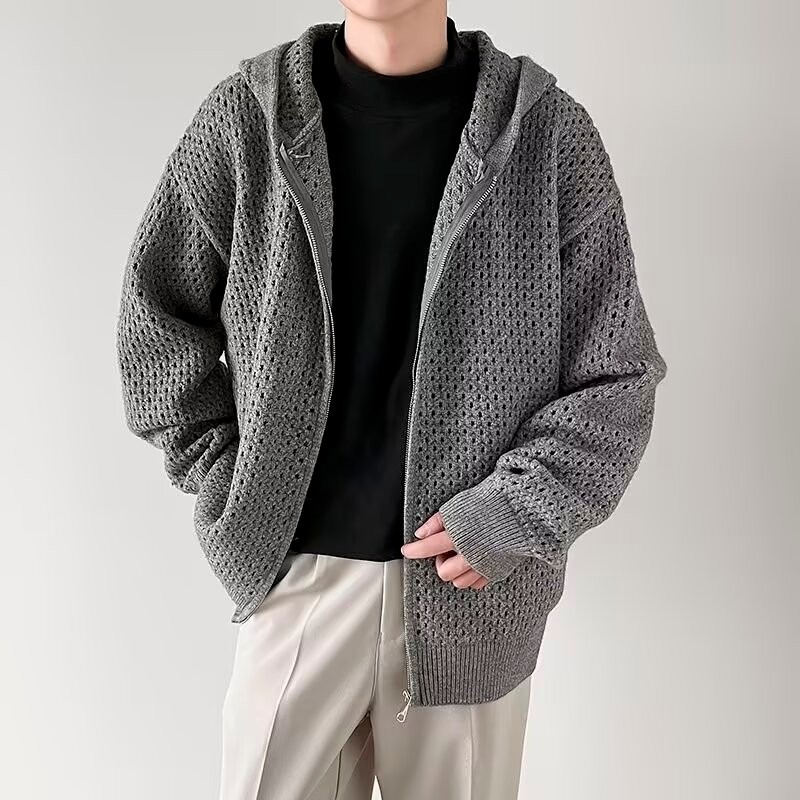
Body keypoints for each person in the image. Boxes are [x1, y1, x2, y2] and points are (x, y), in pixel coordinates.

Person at [116, 4, 667, 798]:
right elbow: (156, 320)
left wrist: (515, 512)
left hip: (470, 598)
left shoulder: (546, 136)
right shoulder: (247, 119)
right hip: (297, 577)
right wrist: (233, 485)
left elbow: (617, 373)